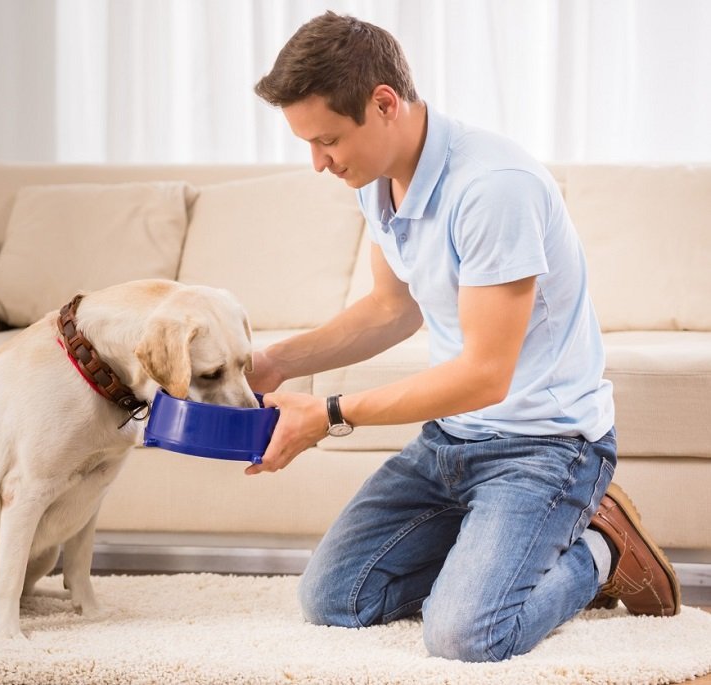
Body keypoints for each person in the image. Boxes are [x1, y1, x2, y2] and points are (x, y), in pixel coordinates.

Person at [247, 11, 680, 663]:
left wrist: (331, 414)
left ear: (384, 104)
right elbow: (391, 309)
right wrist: (276, 361)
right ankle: (493, 554)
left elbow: (485, 375)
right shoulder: (375, 180)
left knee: (465, 635)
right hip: (452, 440)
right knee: (333, 599)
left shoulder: (493, 188)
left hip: (546, 444)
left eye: (327, 140)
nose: (317, 163)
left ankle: (601, 547)